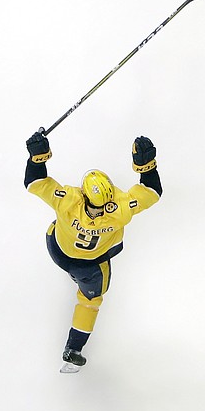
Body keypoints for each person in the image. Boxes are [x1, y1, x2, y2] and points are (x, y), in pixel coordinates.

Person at [24, 131, 162, 372]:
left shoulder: (67, 200)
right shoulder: (120, 210)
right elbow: (152, 192)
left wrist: (38, 157)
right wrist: (146, 167)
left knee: (56, 230)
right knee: (90, 301)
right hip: (89, 266)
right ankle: (73, 350)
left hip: (58, 250)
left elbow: (34, 182)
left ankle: (74, 347)